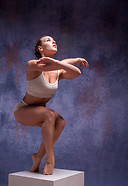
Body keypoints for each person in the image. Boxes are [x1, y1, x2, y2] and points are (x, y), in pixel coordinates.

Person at [14, 35, 89, 175]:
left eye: (54, 40)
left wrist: (72, 61)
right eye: (48, 40)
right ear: (40, 48)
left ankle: (38, 157)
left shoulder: (58, 71)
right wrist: (63, 63)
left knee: (60, 122)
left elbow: (77, 72)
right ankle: (50, 159)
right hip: (23, 110)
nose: (53, 41)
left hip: (39, 111)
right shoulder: (32, 65)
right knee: (49, 114)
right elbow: (59, 64)